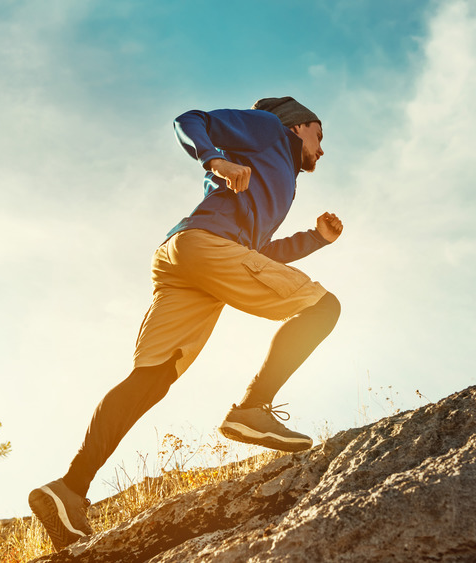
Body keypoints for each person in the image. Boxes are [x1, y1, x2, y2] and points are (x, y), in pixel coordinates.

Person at [28, 96, 343, 551]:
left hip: (186, 257)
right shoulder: (269, 130)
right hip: (204, 245)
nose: (322, 149)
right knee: (323, 308)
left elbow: (254, 257)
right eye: (319, 134)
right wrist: (213, 158)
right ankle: (252, 409)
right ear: (300, 126)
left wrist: (316, 239)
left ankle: (68, 489)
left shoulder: (276, 176)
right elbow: (189, 120)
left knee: (152, 378)